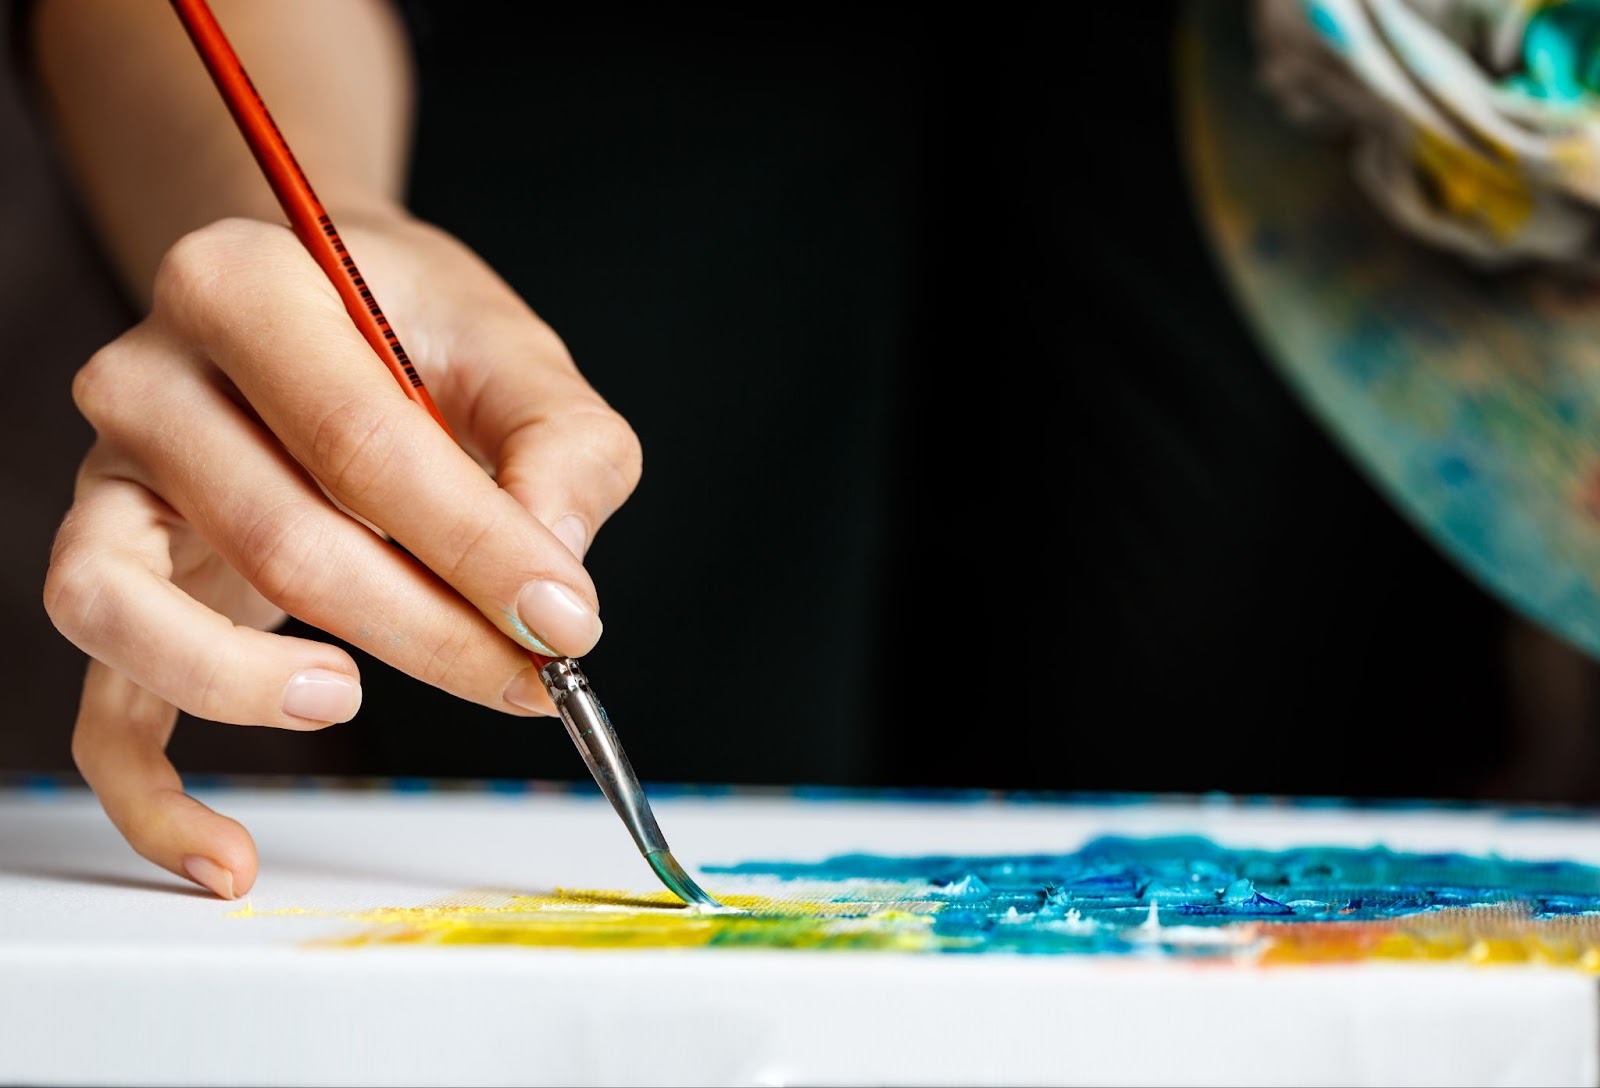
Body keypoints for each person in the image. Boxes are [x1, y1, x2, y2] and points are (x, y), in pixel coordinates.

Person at [8, 0, 1537, 901]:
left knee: (1249, 758)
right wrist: (309, 230)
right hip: (572, 62)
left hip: (1321, 105)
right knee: (669, 680)